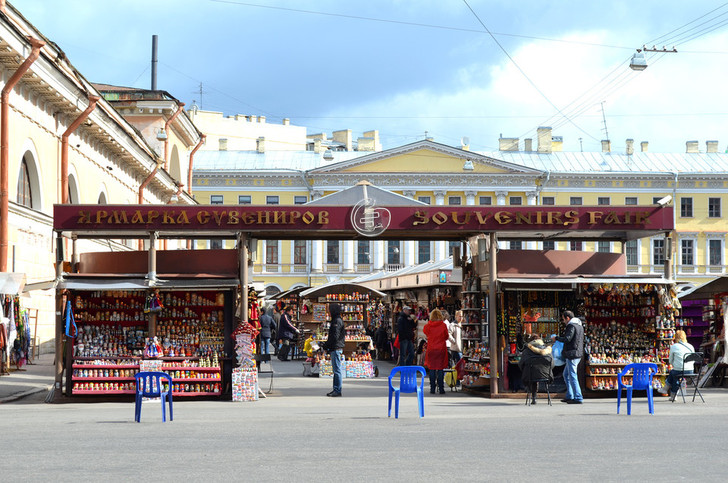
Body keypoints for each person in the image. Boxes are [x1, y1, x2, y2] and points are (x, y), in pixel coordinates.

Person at [552, 310, 584, 404]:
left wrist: (556, 338)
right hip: (576, 353)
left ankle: (578, 397)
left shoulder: (571, 325)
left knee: (572, 375)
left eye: (564, 319)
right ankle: (570, 395)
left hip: (572, 354)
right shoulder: (579, 326)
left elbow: (567, 339)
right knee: (566, 374)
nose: (564, 321)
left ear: (568, 318)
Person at [659, 329, 696, 400]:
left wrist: (675, 365)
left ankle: (670, 392)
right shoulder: (691, 346)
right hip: (690, 370)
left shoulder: (674, 346)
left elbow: (670, 360)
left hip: (679, 370)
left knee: (674, 373)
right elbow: (694, 359)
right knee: (674, 374)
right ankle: (671, 394)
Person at [519, 334, 554, 405]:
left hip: (530, 375)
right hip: (546, 375)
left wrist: (525, 370)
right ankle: (536, 397)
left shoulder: (526, 351)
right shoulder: (547, 350)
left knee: (531, 374)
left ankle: (533, 397)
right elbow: (552, 364)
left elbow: (521, 364)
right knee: (535, 373)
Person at [321, 302, 345, 397]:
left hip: (336, 348)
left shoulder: (336, 321)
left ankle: (337, 390)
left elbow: (334, 336)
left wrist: (327, 345)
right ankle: (336, 388)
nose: (328, 312)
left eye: (329, 310)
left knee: (337, 370)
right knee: (336, 370)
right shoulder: (336, 320)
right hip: (335, 347)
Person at [423, 308, 449, 394]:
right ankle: (441, 388)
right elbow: (446, 337)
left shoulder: (428, 326)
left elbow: (425, 332)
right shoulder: (443, 325)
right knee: (440, 368)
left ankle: (432, 388)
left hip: (431, 349)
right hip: (441, 349)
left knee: (432, 369)